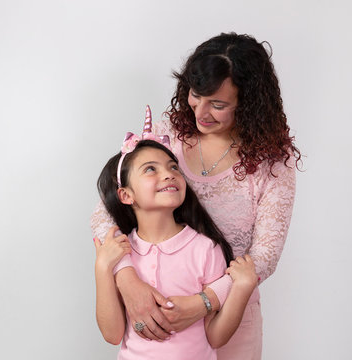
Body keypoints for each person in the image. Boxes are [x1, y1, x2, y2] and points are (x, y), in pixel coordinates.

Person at [91, 32, 301, 359]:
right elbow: (106, 210)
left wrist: (204, 302)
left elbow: (265, 255)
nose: (200, 112)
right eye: (195, 95)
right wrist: (127, 280)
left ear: (248, 103)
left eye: (217, 104)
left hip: (230, 315)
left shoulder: (272, 164)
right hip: (149, 313)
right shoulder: (170, 132)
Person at [93, 112, 258, 359]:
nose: (169, 173)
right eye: (150, 169)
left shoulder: (204, 249)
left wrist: (243, 287)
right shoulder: (121, 253)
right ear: (126, 195)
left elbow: (216, 337)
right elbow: (112, 334)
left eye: (173, 167)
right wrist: (102, 267)